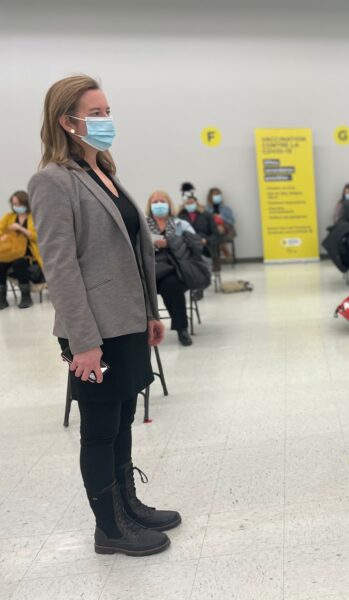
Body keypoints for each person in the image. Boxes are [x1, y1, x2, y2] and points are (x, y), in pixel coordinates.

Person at [28, 75, 181, 557]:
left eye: (107, 111)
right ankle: (109, 529)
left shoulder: (106, 173)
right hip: (93, 330)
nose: (105, 121)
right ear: (66, 122)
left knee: (123, 421)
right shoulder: (52, 181)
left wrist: (149, 312)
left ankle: (127, 506)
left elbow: (132, 253)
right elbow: (61, 267)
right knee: (99, 429)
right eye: (95, 114)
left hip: (127, 322)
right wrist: (84, 340)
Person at [147, 191, 196, 345]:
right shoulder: (142, 224)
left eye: (162, 201)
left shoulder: (181, 224)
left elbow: (193, 244)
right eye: (155, 202)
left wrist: (169, 243)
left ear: (169, 204)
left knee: (172, 284)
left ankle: (182, 329)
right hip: (151, 269)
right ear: (150, 206)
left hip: (174, 267)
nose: (159, 205)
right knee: (141, 286)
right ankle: (143, 331)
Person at [0, 191, 45, 309]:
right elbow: (0, 230)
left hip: (28, 254)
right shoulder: (9, 217)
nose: (16, 207)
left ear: (25, 203)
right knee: (1, 264)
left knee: (19, 262)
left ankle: (26, 297)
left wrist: (21, 229)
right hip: (11, 252)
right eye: (14, 204)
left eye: (18, 204)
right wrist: (4, 234)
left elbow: (38, 236)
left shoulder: (33, 217)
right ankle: (1, 299)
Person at [178, 182, 220, 274]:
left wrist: (206, 240)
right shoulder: (179, 217)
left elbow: (216, 236)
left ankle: (202, 277)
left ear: (196, 202)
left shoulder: (207, 215)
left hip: (204, 248)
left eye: (191, 202)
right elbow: (176, 235)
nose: (190, 204)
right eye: (187, 203)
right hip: (186, 249)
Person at [206, 187, 236, 263]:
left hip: (227, 231)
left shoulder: (226, 208)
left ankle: (216, 258)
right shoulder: (206, 209)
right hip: (212, 231)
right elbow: (204, 223)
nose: (217, 196)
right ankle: (226, 252)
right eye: (215, 194)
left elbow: (232, 221)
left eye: (218, 194)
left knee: (218, 230)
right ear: (210, 197)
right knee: (216, 230)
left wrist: (222, 218)